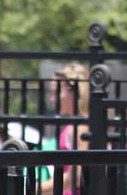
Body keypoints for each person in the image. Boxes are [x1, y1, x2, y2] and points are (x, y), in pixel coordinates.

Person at [40, 63, 90, 195]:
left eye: (56, 92)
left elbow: (76, 177)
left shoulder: (80, 128)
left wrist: (31, 189)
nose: (52, 99)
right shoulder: (79, 124)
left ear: (71, 90)